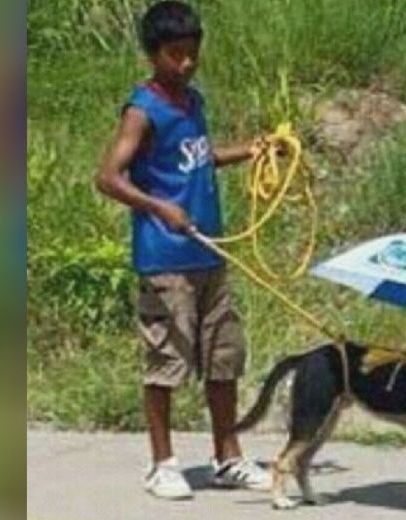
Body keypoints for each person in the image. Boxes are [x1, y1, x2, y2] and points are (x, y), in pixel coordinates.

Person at [94, 0, 270, 500]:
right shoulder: (142, 110)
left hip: (209, 252)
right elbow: (108, 176)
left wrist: (251, 151)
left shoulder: (193, 102)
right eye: (176, 55)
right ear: (154, 55)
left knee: (223, 358)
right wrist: (158, 207)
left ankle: (227, 456)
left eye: (193, 54)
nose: (186, 64)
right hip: (166, 257)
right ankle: (162, 463)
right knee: (167, 361)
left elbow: (199, 158)